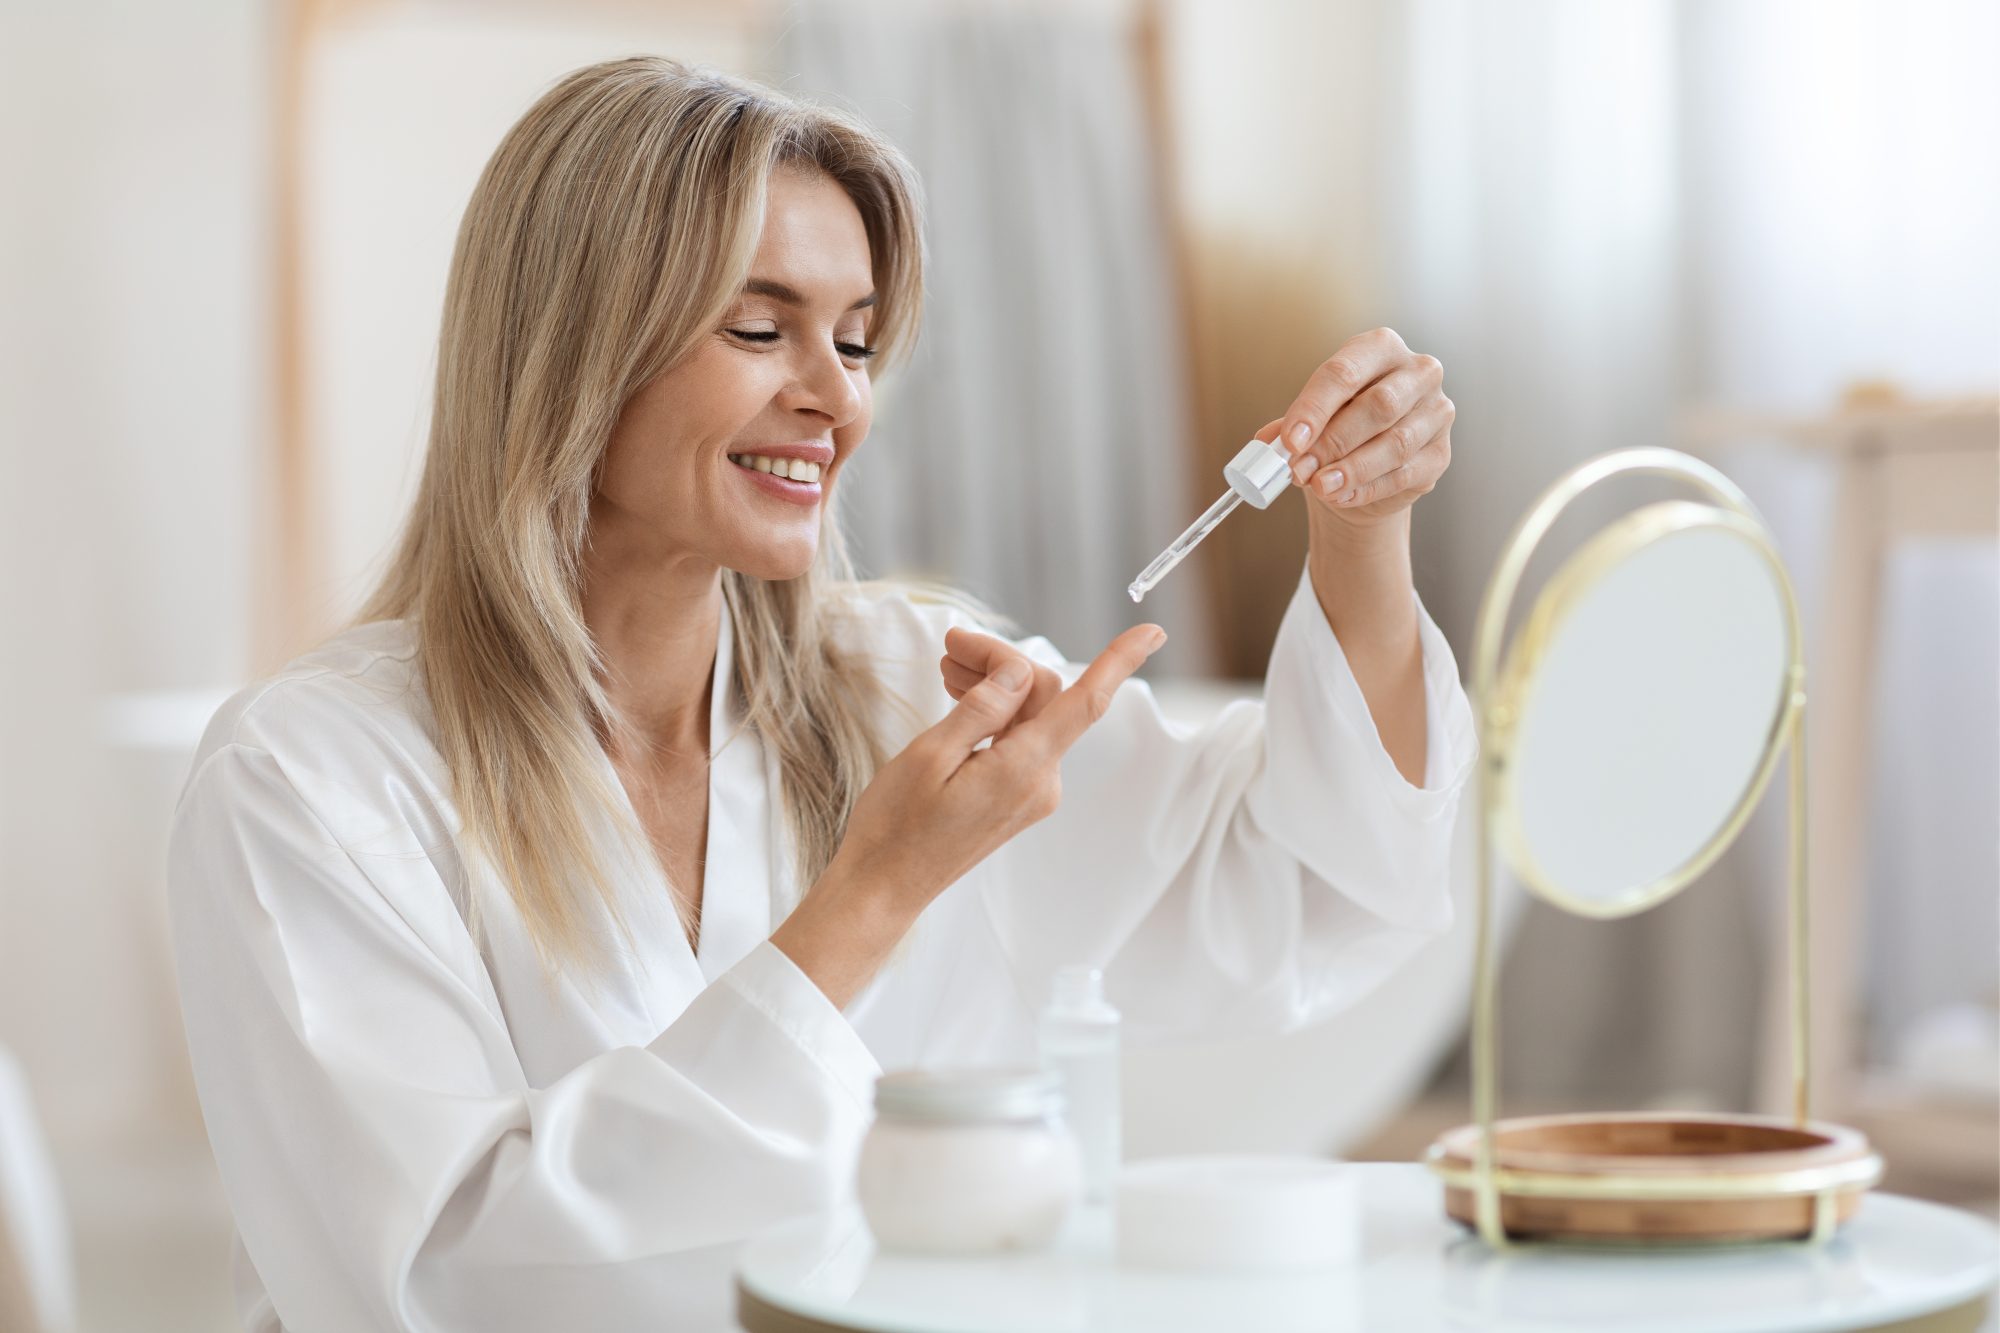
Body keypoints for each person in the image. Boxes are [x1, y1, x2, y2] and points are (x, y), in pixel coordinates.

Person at [167, 55, 1472, 1332]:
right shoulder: (311, 779)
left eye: (853, 340)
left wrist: (1362, 531)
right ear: (572, 347)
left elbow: (1317, 889)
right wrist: (877, 894)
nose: (836, 396)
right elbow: (439, 1276)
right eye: (758, 328)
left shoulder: (912, 689)